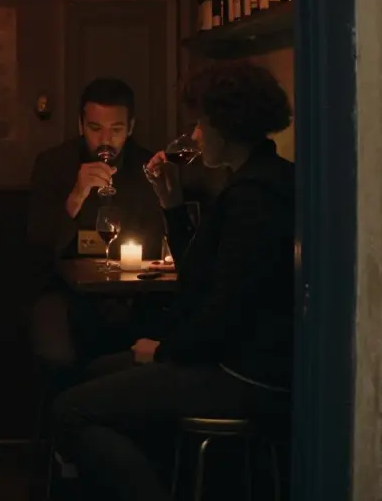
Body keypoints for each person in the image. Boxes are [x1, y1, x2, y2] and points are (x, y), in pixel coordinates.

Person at [50, 61, 295, 501]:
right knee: (95, 370)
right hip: (234, 361)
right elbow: (200, 278)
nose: (196, 136)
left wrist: (163, 351)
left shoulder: (254, 198)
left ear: (225, 125)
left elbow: (223, 313)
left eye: (201, 124)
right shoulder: (257, 180)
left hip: (243, 377)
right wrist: (171, 206)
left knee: (71, 411)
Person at [25, 78, 165, 380]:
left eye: (115, 130)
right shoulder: (53, 164)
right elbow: (37, 244)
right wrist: (75, 196)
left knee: (155, 340)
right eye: (95, 128)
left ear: (130, 128)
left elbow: (159, 242)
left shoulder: (146, 167)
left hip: (134, 294)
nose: (105, 140)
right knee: (56, 351)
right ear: (80, 125)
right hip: (63, 291)